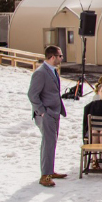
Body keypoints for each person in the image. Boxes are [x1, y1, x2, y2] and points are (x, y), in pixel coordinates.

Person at [27, 45, 67, 187]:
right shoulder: (41, 73)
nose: (62, 58)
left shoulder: (53, 71)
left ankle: (49, 171)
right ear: (52, 57)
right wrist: (42, 111)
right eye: (60, 56)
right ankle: (45, 176)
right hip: (46, 114)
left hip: (54, 112)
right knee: (48, 142)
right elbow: (32, 94)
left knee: (52, 142)